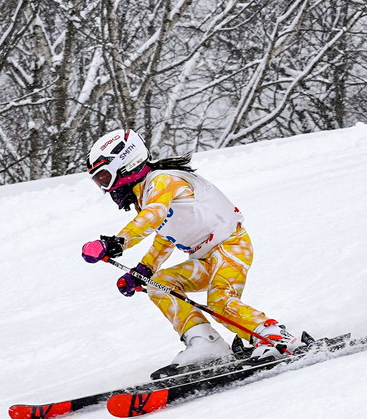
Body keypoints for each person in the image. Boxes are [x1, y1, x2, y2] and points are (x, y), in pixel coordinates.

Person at [79, 128, 299, 375]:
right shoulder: (146, 194)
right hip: (204, 258)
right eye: (99, 182)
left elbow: (153, 217)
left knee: (220, 301)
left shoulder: (162, 180)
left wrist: (116, 243)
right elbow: (166, 234)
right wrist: (145, 270)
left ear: (127, 164)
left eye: (104, 178)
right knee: (160, 283)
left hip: (230, 247)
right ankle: (206, 343)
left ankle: (274, 336)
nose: (106, 188)